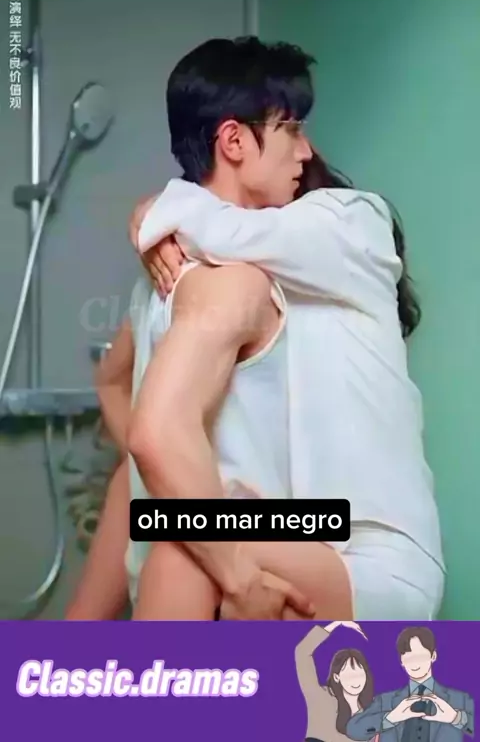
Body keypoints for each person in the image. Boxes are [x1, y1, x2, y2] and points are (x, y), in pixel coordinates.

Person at [67, 35, 444, 621]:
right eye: (292, 129)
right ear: (235, 140)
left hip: (362, 542)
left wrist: (151, 214)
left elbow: (227, 232)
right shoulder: (174, 283)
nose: (305, 151)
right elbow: (126, 403)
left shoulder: (348, 220)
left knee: (184, 541)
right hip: (309, 529)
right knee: (181, 523)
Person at [346, 627, 474, 742]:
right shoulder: (385, 700)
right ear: (401, 661)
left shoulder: (459, 699)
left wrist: (456, 718)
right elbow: (353, 729)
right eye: (409, 657)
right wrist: (391, 718)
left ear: (433, 656)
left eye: (420, 656)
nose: (415, 663)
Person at [295, 619, 375, 742]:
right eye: (349, 674)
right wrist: (336, 624)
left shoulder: (370, 710)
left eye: (360, 673)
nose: (355, 680)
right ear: (337, 677)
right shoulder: (322, 697)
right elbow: (302, 652)